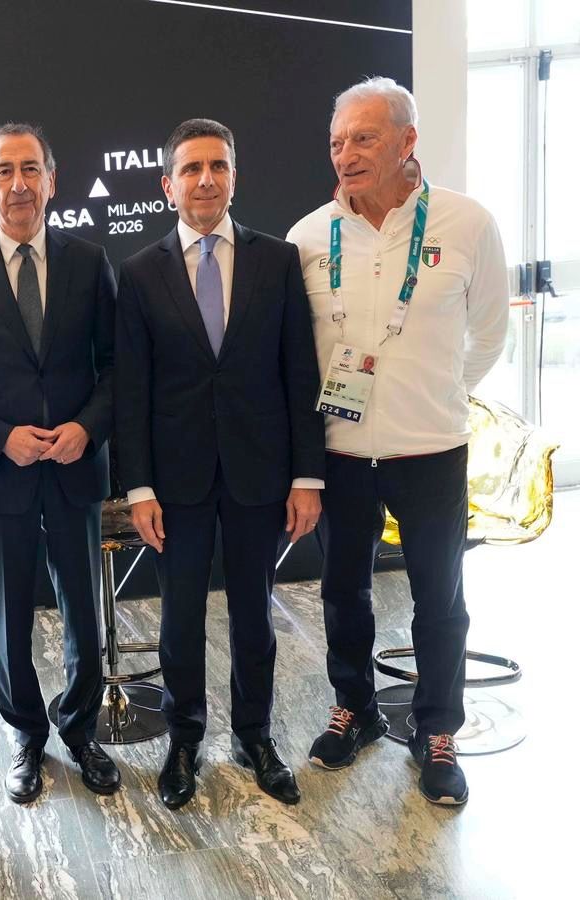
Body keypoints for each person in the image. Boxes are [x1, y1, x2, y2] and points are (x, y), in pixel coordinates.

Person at [287, 77, 508, 806]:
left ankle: (437, 729)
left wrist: (435, 394)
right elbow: (296, 352)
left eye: (364, 138)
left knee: (439, 597)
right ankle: (353, 709)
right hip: (341, 454)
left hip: (431, 451)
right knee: (342, 592)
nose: (345, 154)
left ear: (407, 140)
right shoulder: (308, 236)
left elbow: (489, 334)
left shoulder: (466, 222)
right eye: (336, 142)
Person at [116, 118, 324, 810]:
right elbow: (131, 391)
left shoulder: (276, 260)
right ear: (167, 185)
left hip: (259, 475)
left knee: (254, 616)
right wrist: (138, 487)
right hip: (174, 484)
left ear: (234, 176)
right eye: (191, 168)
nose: (205, 179)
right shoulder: (139, 273)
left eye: (217, 166)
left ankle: (254, 736)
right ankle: (184, 741)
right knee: (178, 620)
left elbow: (299, 371)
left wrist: (306, 476)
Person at [0, 123, 119, 804]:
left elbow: (116, 366)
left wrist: (86, 428)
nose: (18, 184)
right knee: (8, 618)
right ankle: (26, 736)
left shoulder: (88, 262)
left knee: (84, 614)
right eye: (4, 171)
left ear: (51, 181)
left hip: (74, 467)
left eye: (30, 169)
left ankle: (81, 729)